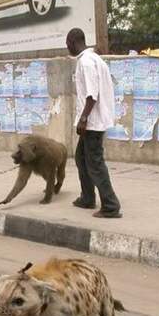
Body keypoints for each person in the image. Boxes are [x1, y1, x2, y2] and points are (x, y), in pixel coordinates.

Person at [66, 28, 122, 219]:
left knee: (95, 163)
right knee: (81, 158)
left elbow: (92, 95)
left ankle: (111, 205)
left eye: (68, 44)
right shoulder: (96, 59)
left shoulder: (86, 62)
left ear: (73, 42)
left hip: (92, 122)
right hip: (93, 120)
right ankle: (87, 197)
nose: (67, 48)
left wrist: (83, 119)